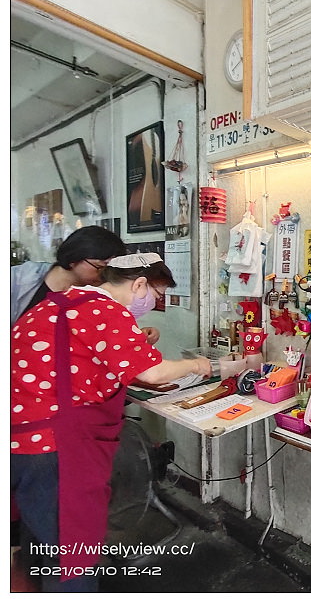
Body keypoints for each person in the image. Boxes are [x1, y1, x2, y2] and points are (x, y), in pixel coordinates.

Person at [10, 252, 212, 592]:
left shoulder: (63, 302)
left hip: (21, 437)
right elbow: (152, 371)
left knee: (43, 536)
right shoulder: (105, 311)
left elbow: (80, 356)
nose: (153, 303)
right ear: (139, 284)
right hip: (55, 446)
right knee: (74, 549)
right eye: (157, 295)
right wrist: (198, 365)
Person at [10, 225, 159, 345]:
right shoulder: (18, 280)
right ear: (74, 258)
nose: (103, 274)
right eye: (99, 267)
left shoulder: (95, 295)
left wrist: (134, 335)